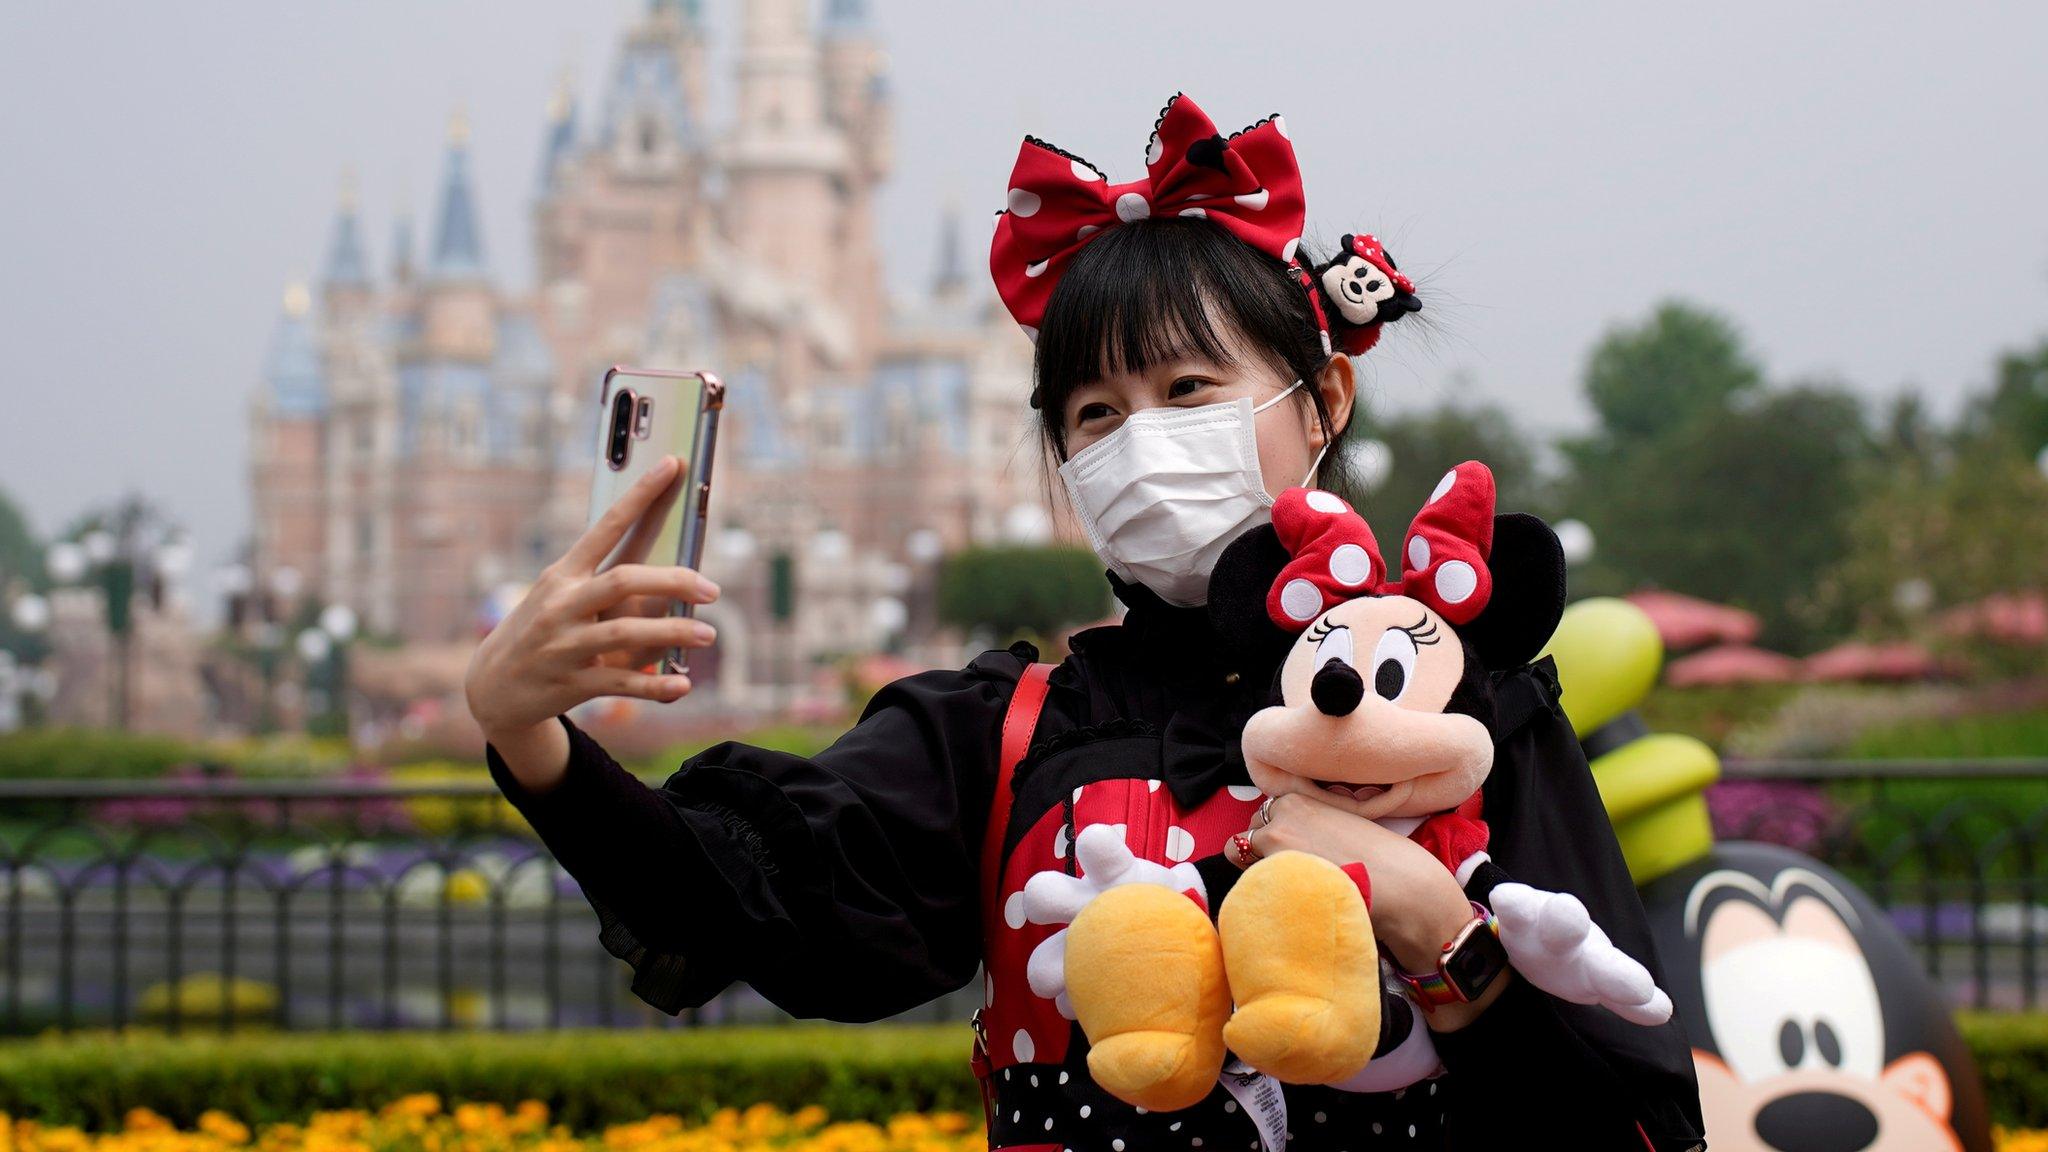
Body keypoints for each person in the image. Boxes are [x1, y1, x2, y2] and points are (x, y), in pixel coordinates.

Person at [468, 95, 1704, 1150]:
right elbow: (736, 903)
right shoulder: (1001, 740)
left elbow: (1632, 1123)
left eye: (1185, 391)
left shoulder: (1463, 714)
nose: (1140, 444)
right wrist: (529, 732)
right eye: (1094, 416)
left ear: (1321, 396)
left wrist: (1438, 930)